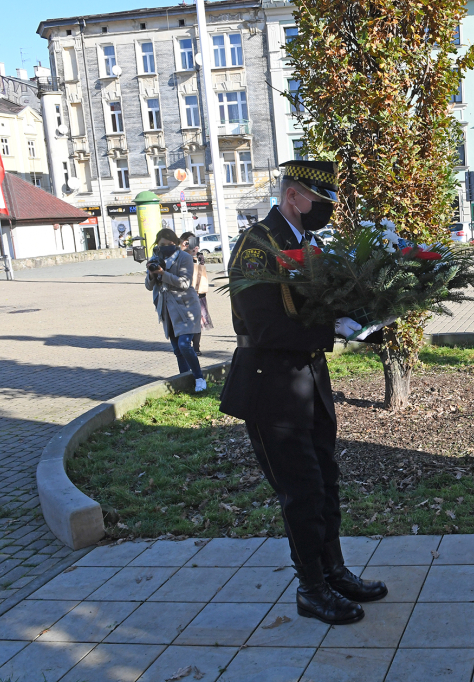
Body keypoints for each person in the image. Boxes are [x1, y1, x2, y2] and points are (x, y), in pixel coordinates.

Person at [219, 160, 388, 626]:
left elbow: (324, 307)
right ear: (293, 195)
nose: (327, 210)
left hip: (309, 381)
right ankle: (311, 589)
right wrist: (333, 329)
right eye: (321, 201)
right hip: (270, 384)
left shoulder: (307, 243)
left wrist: (370, 320)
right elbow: (267, 327)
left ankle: (334, 570)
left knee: (325, 482)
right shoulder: (258, 246)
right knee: (300, 491)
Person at [145, 228, 207, 392]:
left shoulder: (184, 257)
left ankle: (199, 378)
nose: (165, 247)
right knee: (178, 350)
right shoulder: (155, 258)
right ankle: (185, 380)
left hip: (185, 307)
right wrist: (152, 274)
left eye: (169, 244)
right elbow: (148, 286)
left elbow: (185, 283)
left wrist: (162, 273)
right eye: (162, 244)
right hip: (166, 309)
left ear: (175, 243)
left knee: (185, 345)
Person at [180, 232, 214, 354]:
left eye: (193, 242)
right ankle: (187, 345)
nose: (191, 246)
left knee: (198, 321)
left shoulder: (198, 257)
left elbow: (200, 272)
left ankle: (196, 347)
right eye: (187, 242)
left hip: (198, 293)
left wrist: (196, 257)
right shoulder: (179, 255)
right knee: (187, 321)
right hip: (184, 293)